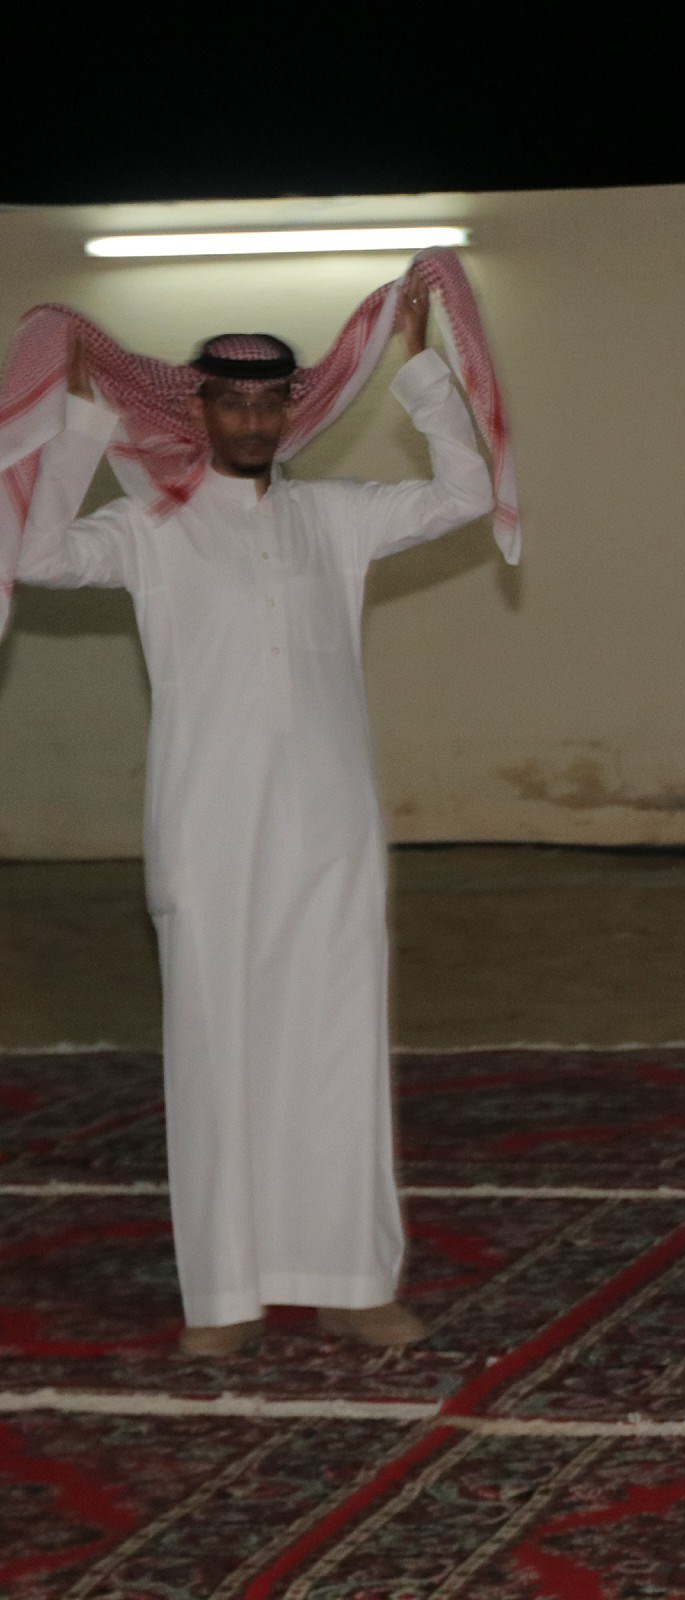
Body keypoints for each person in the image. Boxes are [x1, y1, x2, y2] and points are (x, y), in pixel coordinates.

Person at [13, 283, 497, 1357]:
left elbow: (466, 495)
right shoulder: (150, 529)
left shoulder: (339, 516)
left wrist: (422, 369)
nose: (251, 419)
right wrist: (81, 420)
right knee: (216, 1044)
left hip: (330, 823)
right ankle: (224, 1294)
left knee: (337, 1040)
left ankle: (352, 1282)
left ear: (290, 411)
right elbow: (39, 558)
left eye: (270, 401)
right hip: (208, 822)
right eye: (231, 402)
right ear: (198, 411)